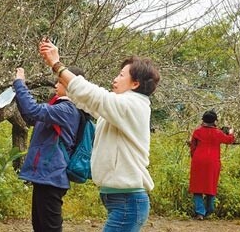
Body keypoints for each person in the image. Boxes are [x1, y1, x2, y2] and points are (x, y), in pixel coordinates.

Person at [39, 39, 160, 232]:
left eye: (121, 75)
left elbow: (96, 96)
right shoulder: (120, 109)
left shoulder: (133, 105)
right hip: (122, 200)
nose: (115, 79)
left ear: (135, 83)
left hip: (128, 202)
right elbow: (87, 102)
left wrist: (58, 65)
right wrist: (60, 74)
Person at [13, 66, 85, 232]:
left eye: (60, 82)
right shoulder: (58, 108)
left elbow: (33, 109)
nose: (56, 85)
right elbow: (31, 115)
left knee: (49, 228)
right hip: (45, 176)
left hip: (52, 176)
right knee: (40, 226)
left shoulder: (67, 110)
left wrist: (20, 84)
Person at [189, 109, 235, 220]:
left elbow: (192, 147)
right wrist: (231, 133)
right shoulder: (218, 133)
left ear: (203, 120)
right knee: (211, 185)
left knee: (197, 186)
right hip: (213, 162)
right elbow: (229, 140)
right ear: (215, 121)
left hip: (198, 160)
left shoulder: (197, 132)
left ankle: (200, 212)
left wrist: (194, 157)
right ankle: (209, 210)